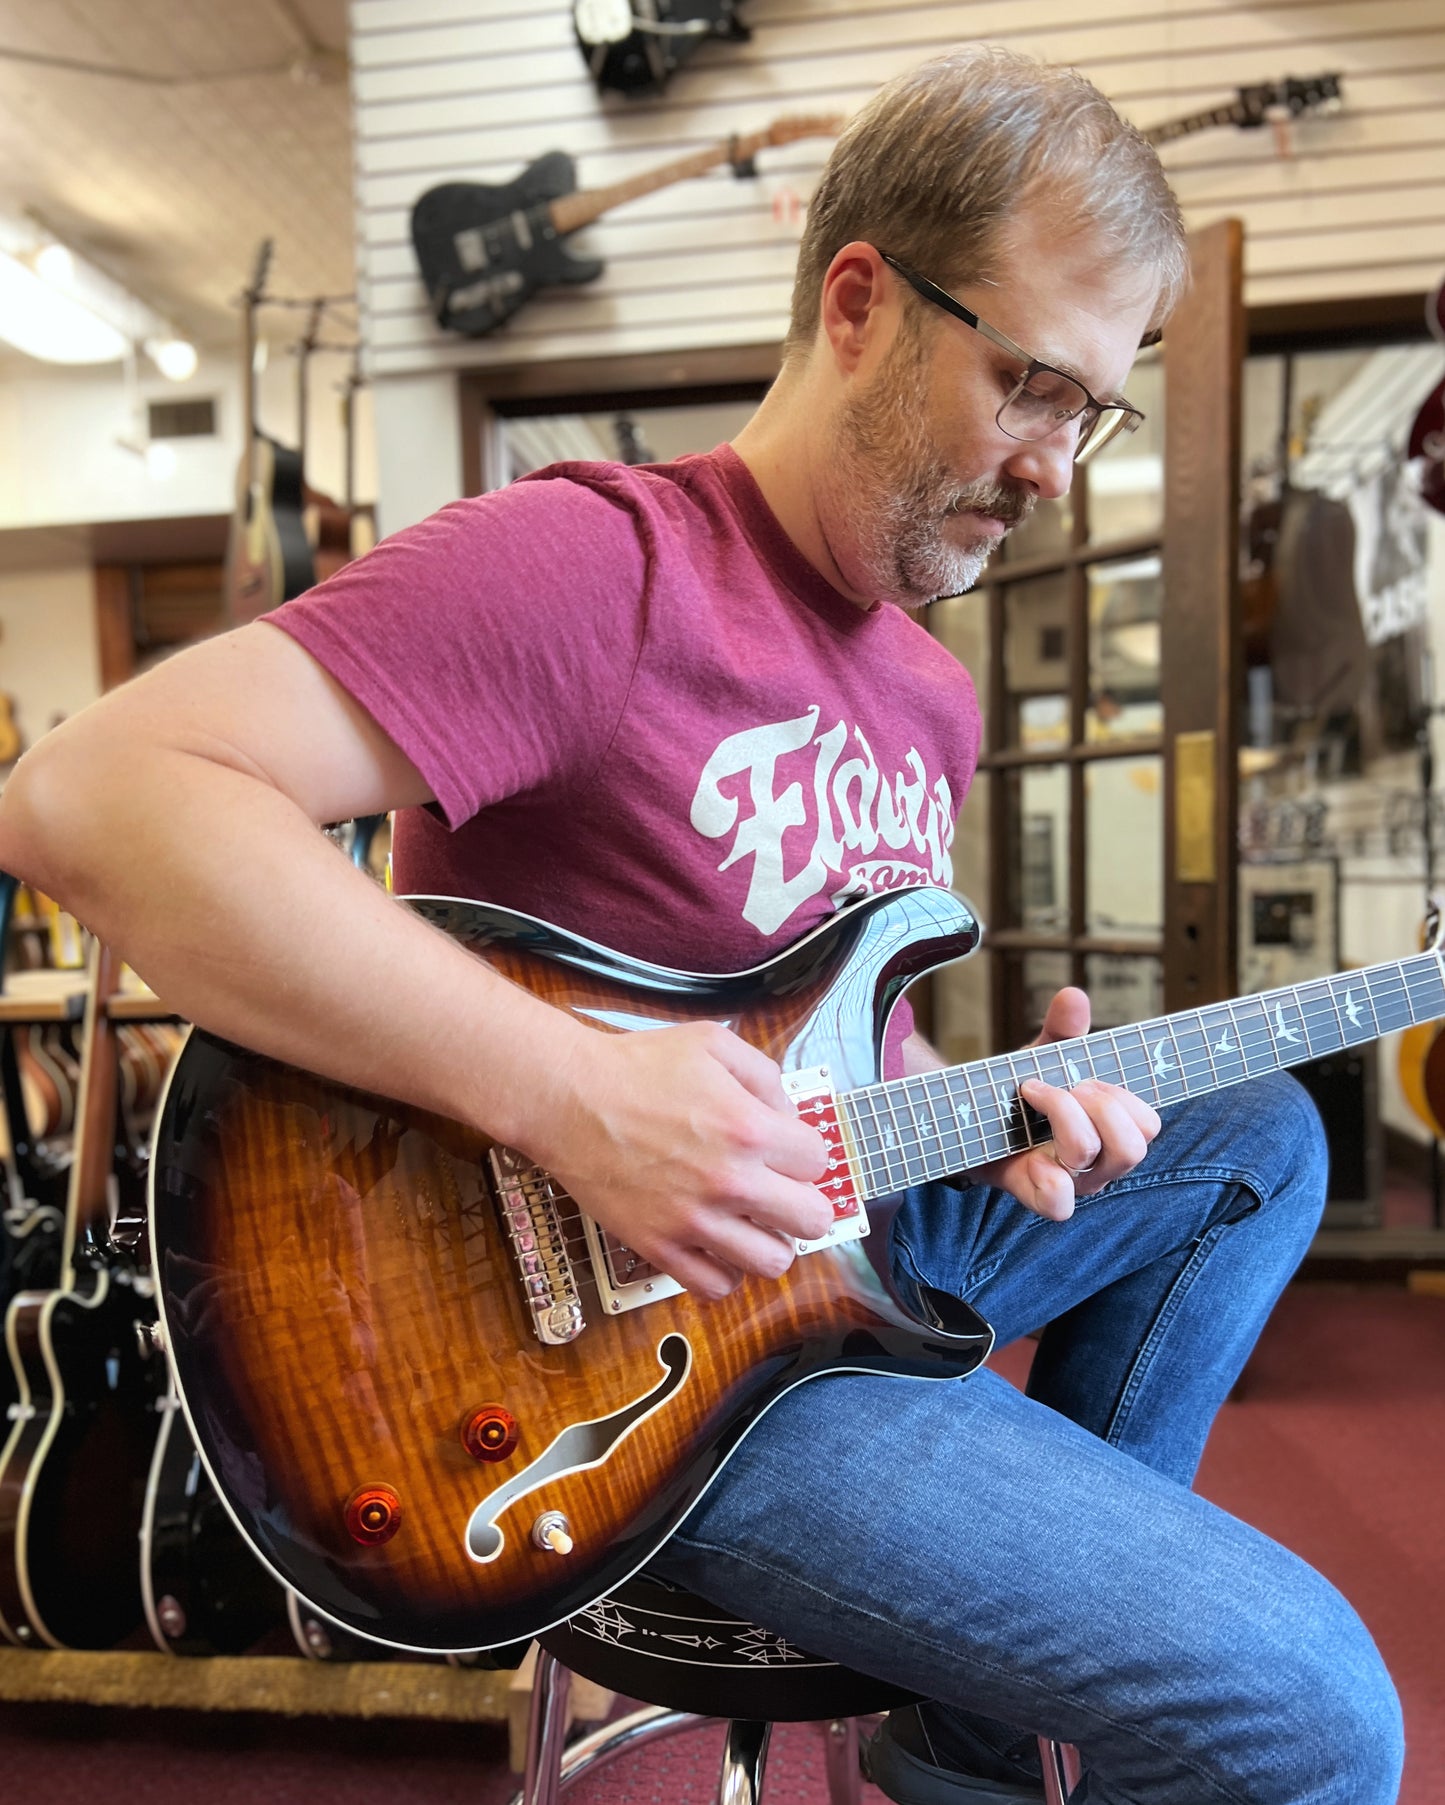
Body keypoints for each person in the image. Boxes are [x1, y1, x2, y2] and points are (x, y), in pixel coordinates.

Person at [0, 45, 1403, 1805]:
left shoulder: (924, 687)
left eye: (1092, 413)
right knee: (1308, 1716)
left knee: (1256, 1133)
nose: (1055, 467)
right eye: (1031, 383)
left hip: (837, 1255)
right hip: (608, 1355)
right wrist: (565, 1096)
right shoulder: (599, 566)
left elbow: (822, 1040)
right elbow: (93, 797)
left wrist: (1003, 1112)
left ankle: (967, 1744)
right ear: (858, 301)